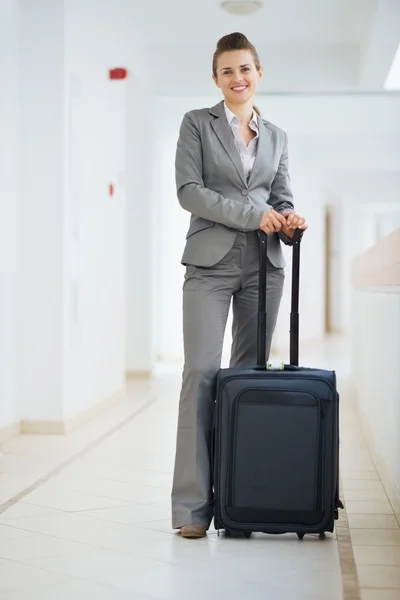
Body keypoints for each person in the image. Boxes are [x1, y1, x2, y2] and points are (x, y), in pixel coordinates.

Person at [171, 32, 308, 539]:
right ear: (216, 78)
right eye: (227, 71)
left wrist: (290, 218)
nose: (238, 78)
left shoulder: (277, 136)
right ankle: (190, 508)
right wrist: (256, 215)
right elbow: (190, 192)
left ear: (259, 73)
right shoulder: (196, 125)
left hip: (264, 268)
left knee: (247, 381)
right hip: (208, 264)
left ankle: (238, 498)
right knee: (202, 376)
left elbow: (282, 194)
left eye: (246, 68)